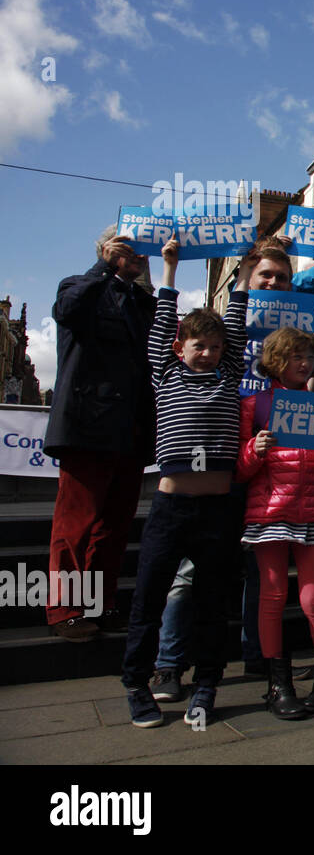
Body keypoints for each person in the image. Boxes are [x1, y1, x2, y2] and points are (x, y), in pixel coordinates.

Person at [121, 235, 251, 727]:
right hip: (171, 508)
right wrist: (170, 272)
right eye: (200, 346)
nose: (209, 353)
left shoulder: (229, 374)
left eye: (216, 347)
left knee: (213, 604)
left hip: (219, 509)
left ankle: (207, 685)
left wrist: (241, 276)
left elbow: (235, 326)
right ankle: (138, 685)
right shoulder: (166, 374)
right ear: (181, 347)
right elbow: (159, 328)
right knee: (149, 598)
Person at [44, 227, 157, 641]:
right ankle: (65, 609)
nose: (138, 254)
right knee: (76, 523)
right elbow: (66, 311)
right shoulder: (79, 285)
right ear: (108, 250)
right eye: (130, 247)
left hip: (130, 427)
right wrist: (102, 267)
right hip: (87, 426)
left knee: (114, 526)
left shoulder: (143, 301)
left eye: (143, 249)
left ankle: (100, 603)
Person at [237, 327, 314, 718]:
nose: (303, 365)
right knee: (271, 597)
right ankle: (278, 684)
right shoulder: (254, 405)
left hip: (313, 512)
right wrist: (254, 450)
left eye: (308, 358)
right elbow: (239, 469)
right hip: (269, 513)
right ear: (276, 361)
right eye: (295, 357)